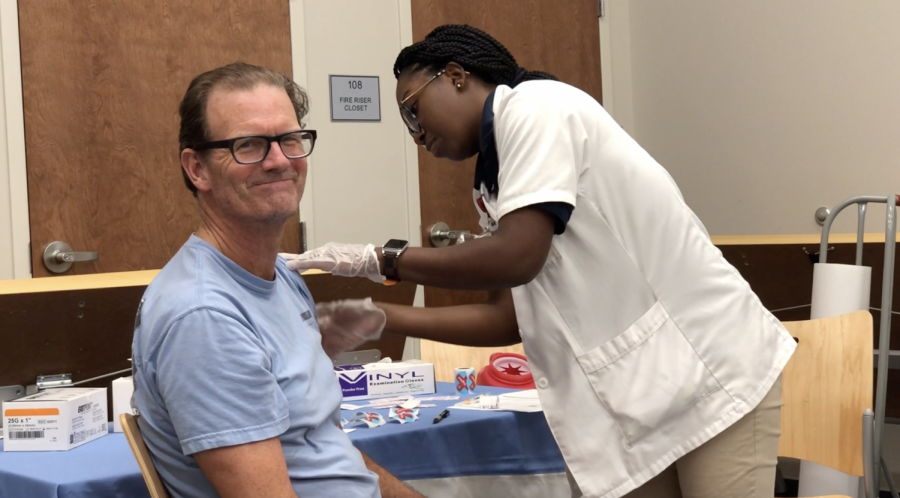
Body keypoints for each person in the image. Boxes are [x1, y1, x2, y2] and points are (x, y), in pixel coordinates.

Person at [284, 25, 797, 498]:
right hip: (643, 395)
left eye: (413, 109)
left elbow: (517, 257)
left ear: (457, 77)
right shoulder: (493, 182)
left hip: (711, 369)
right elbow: (507, 315)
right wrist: (382, 315)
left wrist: (383, 260)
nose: (415, 133)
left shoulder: (536, 109)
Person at [130, 62, 423, 498]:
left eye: (290, 139)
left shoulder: (281, 280)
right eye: (249, 145)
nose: (280, 160)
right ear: (197, 170)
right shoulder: (205, 317)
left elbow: (323, 451)